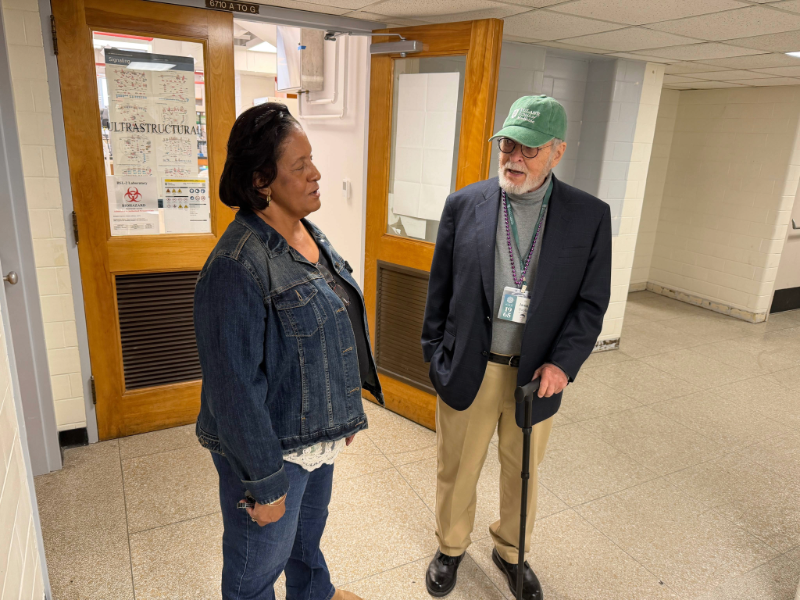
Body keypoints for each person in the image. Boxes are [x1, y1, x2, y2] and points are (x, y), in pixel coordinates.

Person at [421, 95, 612, 599]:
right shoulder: (465, 205)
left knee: (522, 471)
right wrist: (435, 354)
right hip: (470, 365)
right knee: (457, 465)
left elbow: (591, 302)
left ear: (557, 152)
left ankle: (511, 551)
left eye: (530, 149)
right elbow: (439, 289)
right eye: (508, 145)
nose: (514, 158)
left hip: (536, 376)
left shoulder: (589, 216)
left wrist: (563, 365)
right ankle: (450, 546)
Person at [194, 102, 382, 600]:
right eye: (300, 166)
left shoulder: (305, 233)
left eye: (311, 160)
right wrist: (266, 483)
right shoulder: (235, 265)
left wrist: (341, 411)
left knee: (305, 540)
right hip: (271, 452)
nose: (316, 173)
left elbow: (326, 328)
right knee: (255, 571)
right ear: (262, 181)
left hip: (314, 434)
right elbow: (233, 392)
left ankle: (314, 594)